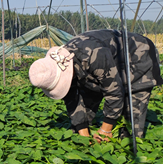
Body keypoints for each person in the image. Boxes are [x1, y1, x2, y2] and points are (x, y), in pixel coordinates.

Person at [28, 29, 162, 142]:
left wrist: (105, 130)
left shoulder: (93, 55)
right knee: (80, 123)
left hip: (138, 57)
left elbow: (114, 92)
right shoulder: (65, 64)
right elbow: (72, 100)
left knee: (130, 128)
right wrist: (84, 134)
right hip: (102, 66)